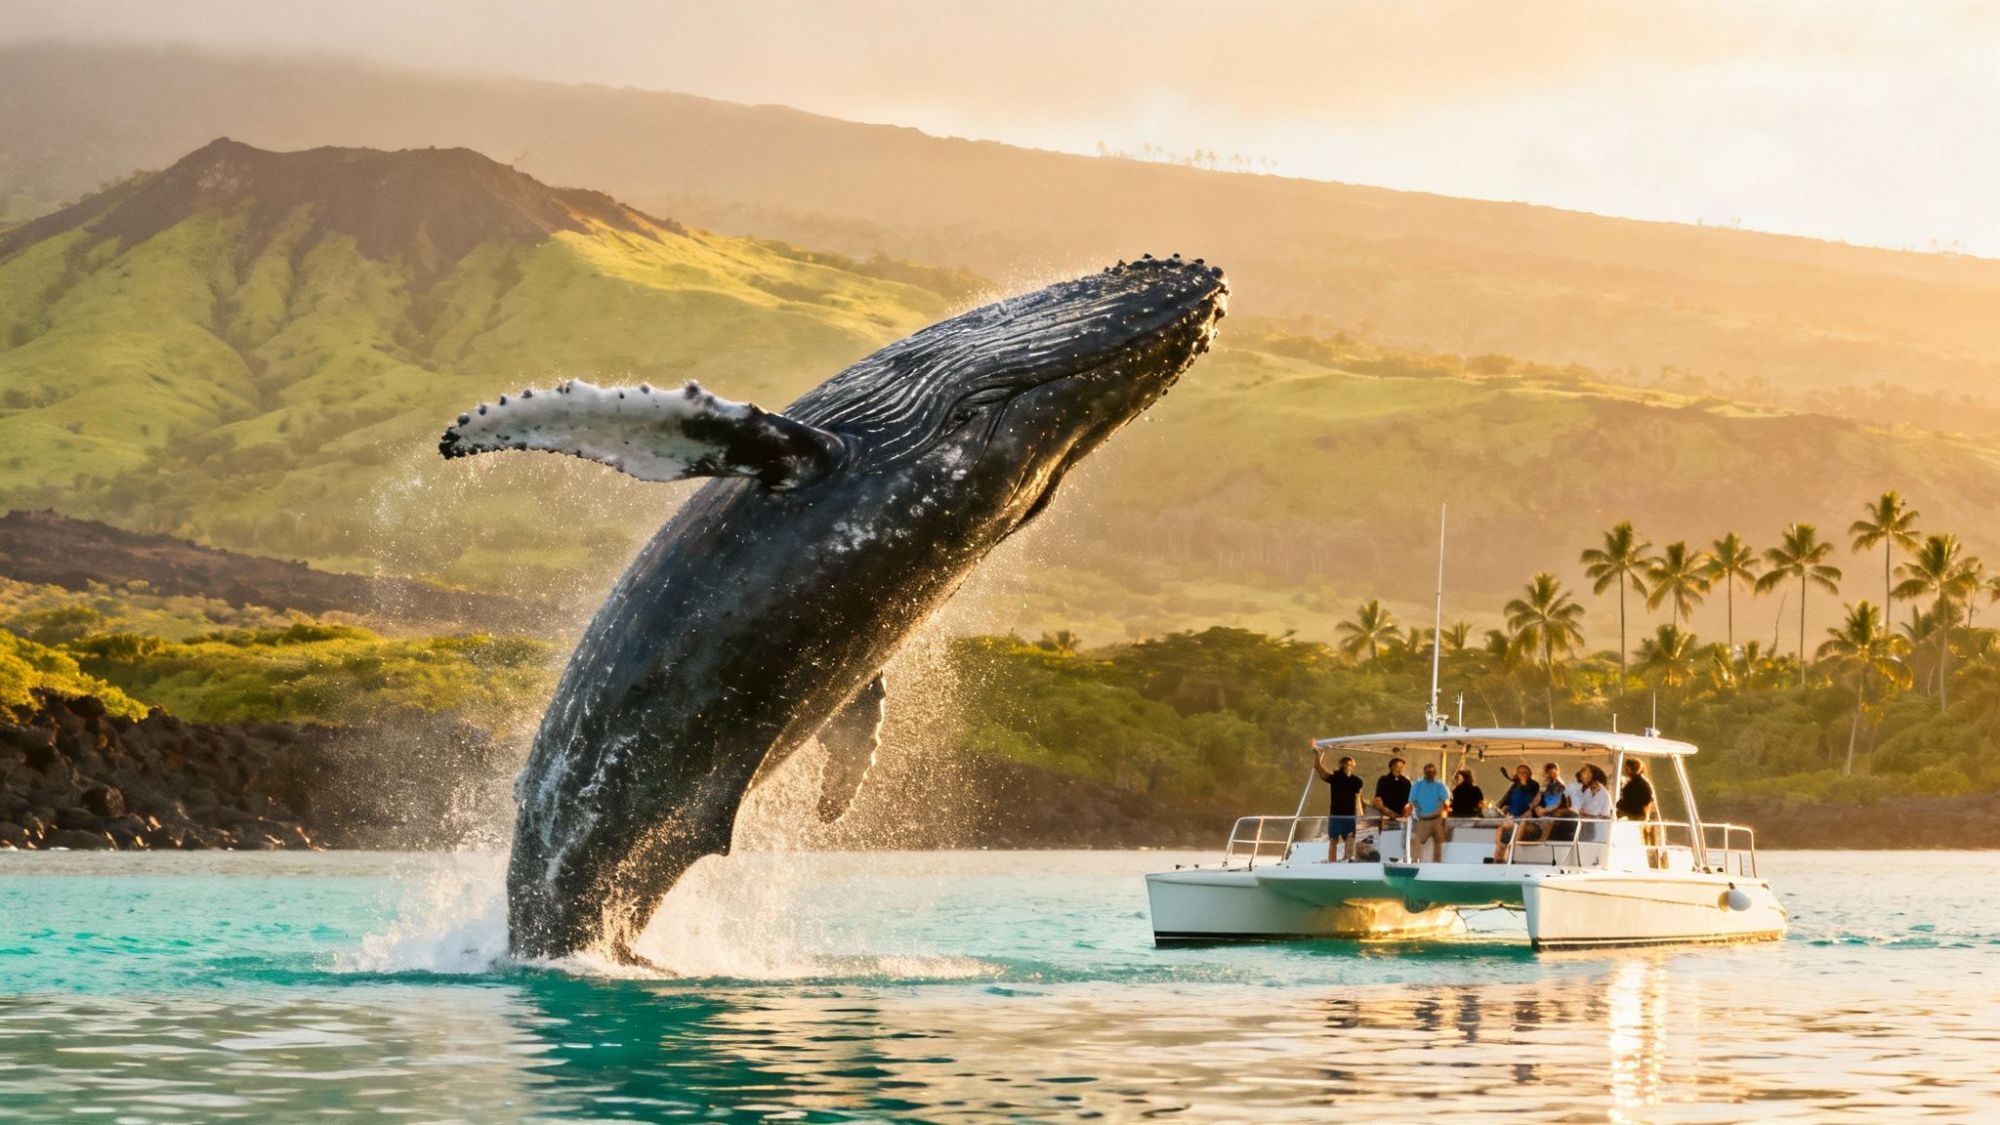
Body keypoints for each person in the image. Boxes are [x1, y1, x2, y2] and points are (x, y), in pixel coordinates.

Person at [1313, 749, 1366, 862]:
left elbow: (1358, 798)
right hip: (1336, 815)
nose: (1348, 766)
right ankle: (1332, 861)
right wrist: (1319, 755)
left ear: (1353, 766)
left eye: (1350, 764)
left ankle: (1348, 859)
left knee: (1350, 839)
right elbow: (1319, 769)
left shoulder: (1357, 781)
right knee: (1334, 840)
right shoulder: (1335, 778)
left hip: (1351, 815)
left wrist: (1361, 814)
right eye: (1345, 764)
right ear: (1341, 765)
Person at [1489, 763, 1539, 862]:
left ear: (1529, 774)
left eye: (1525, 772)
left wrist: (1524, 783)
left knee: (1515, 831)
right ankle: (1498, 857)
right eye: (1520, 772)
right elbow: (1507, 801)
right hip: (1512, 817)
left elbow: (1529, 800)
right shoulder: (1516, 786)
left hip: (1524, 817)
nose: (1522, 774)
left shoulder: (1533, 784)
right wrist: (1501, 810)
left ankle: (1512, 855)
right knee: (1500, 830)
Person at [1408, 762, 1450, 862]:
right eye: (1429, 771)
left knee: (1440, 844)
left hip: (1437, 819)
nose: (1431, 773)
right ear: (1425, 772)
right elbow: (1411, 801)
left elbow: (1446, 802)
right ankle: (1415, 863)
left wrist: (1443, 813)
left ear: (1435, 772)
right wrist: (1418, 809)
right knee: (1416, 841)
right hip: (1423, 820)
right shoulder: (1417, 786)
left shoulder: (1440, 786)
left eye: (1433, 771)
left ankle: (1438, 864)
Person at [1573, 763, 1613, 842]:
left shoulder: (1603, 793)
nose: (1581, 775)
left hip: (1597, 832)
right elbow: (1581, 808)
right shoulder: (1587, 791)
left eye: (1584, 773)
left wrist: (1585, 814)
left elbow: (1602, 814)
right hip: (1586, 828)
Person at [1372, 757, 1413, 831]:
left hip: (1401, 815)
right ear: (1392, 767)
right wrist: (1382, 808)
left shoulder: (1406, 782)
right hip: (1385, 813)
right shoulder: (1383, 780)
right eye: (1398, 766)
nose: (1400, 769)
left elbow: (1409, 799)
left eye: (1402, 767)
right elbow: (1378, 796)